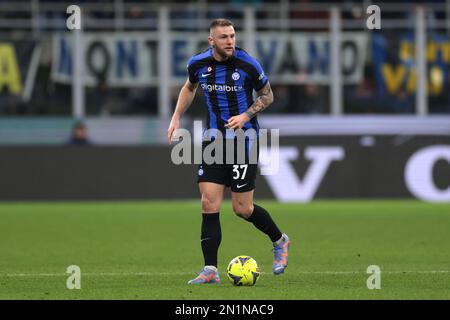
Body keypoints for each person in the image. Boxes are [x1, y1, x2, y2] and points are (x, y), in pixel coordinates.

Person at [167, 18, 290, 285]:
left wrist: (246, 115)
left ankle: (280, 240)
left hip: (245, 141)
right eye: (224, 37)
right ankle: (210, 269)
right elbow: (189, 87)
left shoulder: (248, 64)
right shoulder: (197, 64)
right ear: (212, 40)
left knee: (242, 208)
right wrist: (176, 117)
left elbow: (268, 96)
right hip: (214, 141)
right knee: (209, 202)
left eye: (232, 36)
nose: (230, 41)